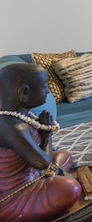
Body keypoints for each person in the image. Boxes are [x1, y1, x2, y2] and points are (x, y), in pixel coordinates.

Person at [0, 63, 82, 222]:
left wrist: (43, 132)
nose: (48, 91)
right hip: (14, 197)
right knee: (71, 188)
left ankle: (53, 178)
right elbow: (42, 162)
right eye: (44, 86)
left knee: (63, 156)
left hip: (35, 175)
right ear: (24, 93)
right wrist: (46, 136)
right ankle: (55, 180)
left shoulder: (23, 116)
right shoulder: (10, 127)